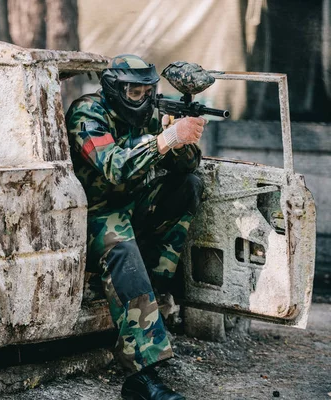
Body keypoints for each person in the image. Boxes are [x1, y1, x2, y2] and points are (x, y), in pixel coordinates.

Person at [65, 54, 205, 400]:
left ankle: (153, 285)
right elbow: (114, 166)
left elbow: (186, 165)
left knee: (189, 186)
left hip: (133, 205)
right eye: (134, 92)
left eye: (147, 90)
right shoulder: (88, 113)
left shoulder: (150, 112)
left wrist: (182, 136)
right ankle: (142, 377)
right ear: (115, 89)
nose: (142, 97)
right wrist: (166, 138)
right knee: (123, 250)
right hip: (94, 213)